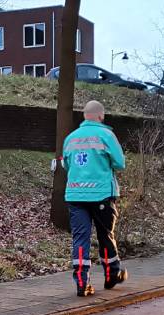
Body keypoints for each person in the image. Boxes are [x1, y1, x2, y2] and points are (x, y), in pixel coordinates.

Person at [61, 100, 128, 297]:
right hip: (101, 195)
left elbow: (67, 165)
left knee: (80, 239)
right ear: (101, 116)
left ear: (84, 116)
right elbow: (120, 163)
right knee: (105, 235)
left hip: (75, 196)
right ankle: (112, 274)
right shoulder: (106, 135)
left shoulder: (70, 138)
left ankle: (82, 283)